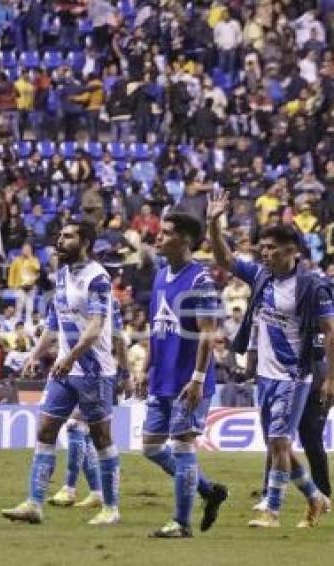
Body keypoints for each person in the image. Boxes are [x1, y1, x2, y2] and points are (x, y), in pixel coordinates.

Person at [208, 189, 334, 528]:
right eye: (263, 247)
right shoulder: (262, 276)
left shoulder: (312, 287)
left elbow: (331, 330)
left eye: (272, 248)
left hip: (294, 376)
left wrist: (331, 377)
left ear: (291, 251)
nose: (265, 253)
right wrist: (213, 223)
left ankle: (272, 510)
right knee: (276, 444)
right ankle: (315, 497)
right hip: (264, 375)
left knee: (280, 441)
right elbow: (225, 260)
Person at [2, 220, 120, 526]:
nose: (60, 240)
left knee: (101, 437)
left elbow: (95, 327)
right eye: (60, 235)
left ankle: (110, 508)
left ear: (85, 243)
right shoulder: (63, 274)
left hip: (93, 369)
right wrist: (34, 355)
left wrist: (70, 358)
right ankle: (34, 503)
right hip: (65, 369)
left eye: (68, 236)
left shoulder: (99, 279)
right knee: (45, 430)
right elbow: (54, 324)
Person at [136, 211, 229, 538]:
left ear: (186, 240)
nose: (158, 237)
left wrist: (198, 379)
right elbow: (156, 326)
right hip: (162, 378)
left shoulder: (201, 281)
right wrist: (145, 366)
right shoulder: (161, 275)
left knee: (183, 448)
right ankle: (208, 490)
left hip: (188, 381)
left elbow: (208, 333)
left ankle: (181, 523)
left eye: (166, 233)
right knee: (150, 447)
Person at [49, 301, 129, 510]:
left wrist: (124, 373)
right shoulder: (68, 295)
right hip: (71, 371)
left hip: (97, 373)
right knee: (84, 433)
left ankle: (71, 488)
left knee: (78, 427)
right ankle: (96, 492)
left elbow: (118, 338)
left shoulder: (107, 302)